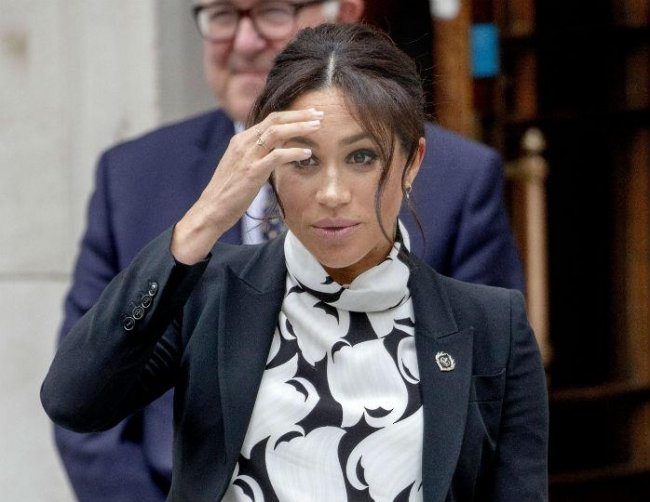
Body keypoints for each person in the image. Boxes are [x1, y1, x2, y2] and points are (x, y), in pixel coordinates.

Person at [44, 23, 547, 502]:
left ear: (412, 162)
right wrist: (202, 222)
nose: (332, 193)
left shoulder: (492, 326)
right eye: (303, 159)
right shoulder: (210, 294)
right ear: (266, 164)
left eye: (362, 157)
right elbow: (73, 400)